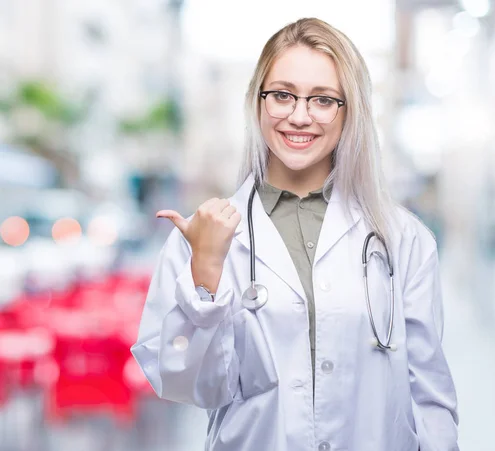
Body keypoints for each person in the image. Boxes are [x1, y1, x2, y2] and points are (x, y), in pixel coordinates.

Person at [131, 17, 459, 451]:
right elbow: (186, 385)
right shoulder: (202, 238)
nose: (299, 116)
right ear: (258, 102)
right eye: (282, 95)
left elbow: (430, 399)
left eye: (323, 100)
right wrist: (206, 270)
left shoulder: (403, 238)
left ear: (350, 110)